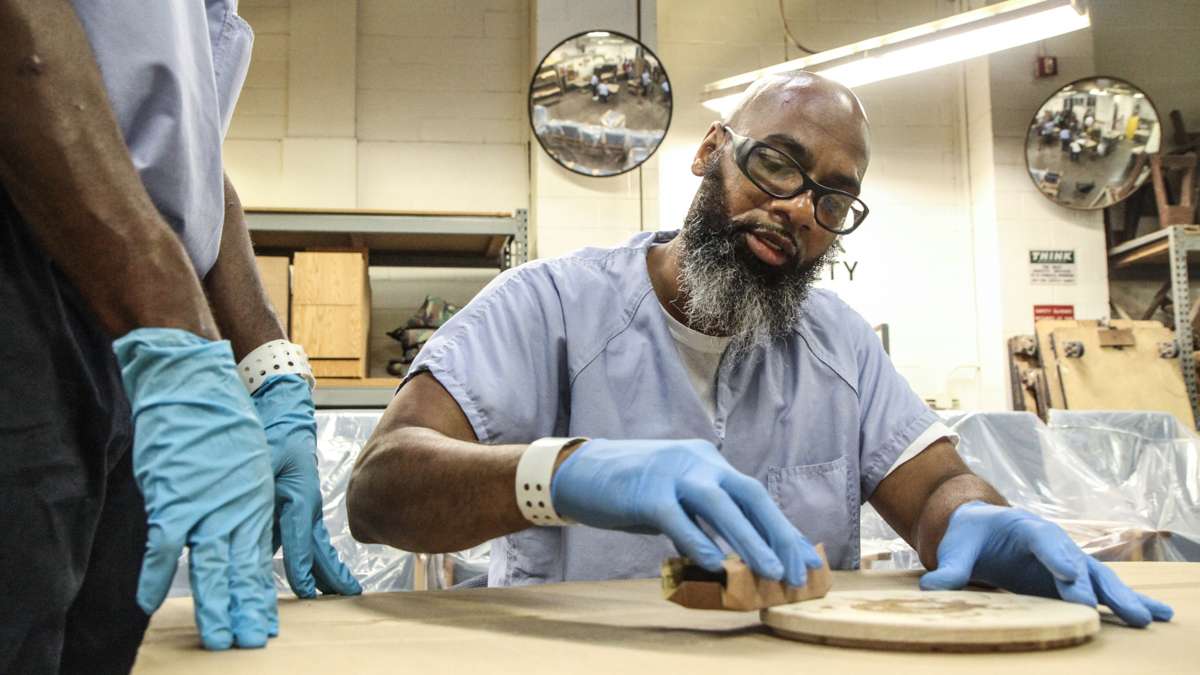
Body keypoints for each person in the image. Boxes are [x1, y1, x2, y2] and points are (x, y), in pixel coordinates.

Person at [346, 73, 1172, 628]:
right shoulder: (550, 306)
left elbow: (934, 490)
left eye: (833, 198)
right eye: (777, 165)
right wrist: (561, 473)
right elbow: (380, 490)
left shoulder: (838, 343)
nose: (798, 209)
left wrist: (978, 516)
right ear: (711, 153)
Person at [0, 2, 359, 672]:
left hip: (125, 319)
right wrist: (176, 329)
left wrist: (270, 367)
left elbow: (182, 166)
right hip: (33, 269)